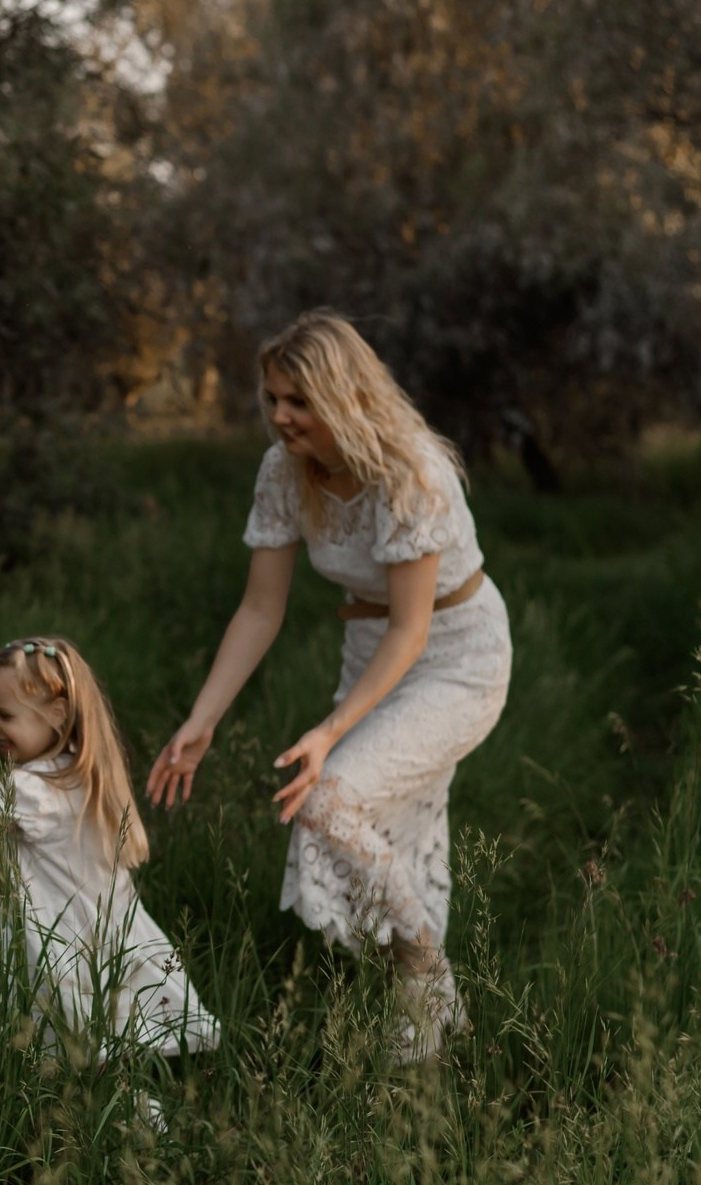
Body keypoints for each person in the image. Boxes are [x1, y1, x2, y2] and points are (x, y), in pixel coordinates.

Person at [146, 312, 509, 1064]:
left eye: (299, 402)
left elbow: (412, 631)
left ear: (345, 398)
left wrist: (329, 730)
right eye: (273, 397)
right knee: (380, 829)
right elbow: (260, 607)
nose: (280, 416)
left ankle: (427, 979)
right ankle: (427, 1015)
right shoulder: (285, 471)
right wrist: (202, 718)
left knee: (330, 798)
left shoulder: (411, 473)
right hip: (369, 649)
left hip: (455, 656)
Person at [0, 636, 221, 1127]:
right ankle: (133, 1135)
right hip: (106, 941)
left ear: (58, 711)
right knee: (102, 1062)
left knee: (67, 1060)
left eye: (5, 716)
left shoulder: (26, 787)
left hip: (56, 948)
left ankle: (85, 1135)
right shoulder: (87, 773)